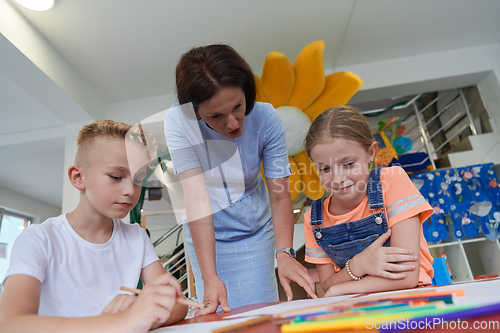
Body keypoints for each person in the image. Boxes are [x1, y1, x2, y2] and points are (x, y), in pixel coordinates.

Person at [164, 44, 316, 315]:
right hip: (206, 231)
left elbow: (279, 193)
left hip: (255, 229)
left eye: (238, 107)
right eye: (217, 116)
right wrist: (209, 277)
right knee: (215, 311)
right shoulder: (178, 121)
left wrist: (285, 253)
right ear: (196, 113)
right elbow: (196, 197)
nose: (233, 123)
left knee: (259, 314)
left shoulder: (266, 117)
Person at [0, 120, 188, 333]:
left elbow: (180, 304)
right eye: (116, 177)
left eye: (138, 179)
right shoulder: (39, 239)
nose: (130, 190)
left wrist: (140, 313)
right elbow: (10, 325)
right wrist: (123, 322)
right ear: (78, 178)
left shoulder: (136, 236)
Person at [303, 106, 434, 297]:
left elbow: (406, 275)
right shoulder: (313, 220)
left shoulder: (391, 180)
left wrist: (342, 286)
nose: (338, 178)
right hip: (357, 310)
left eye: (348, 164)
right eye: (325, 169)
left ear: (371, 152)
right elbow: (327, 283)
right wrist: (359, 264)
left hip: (412, 300)